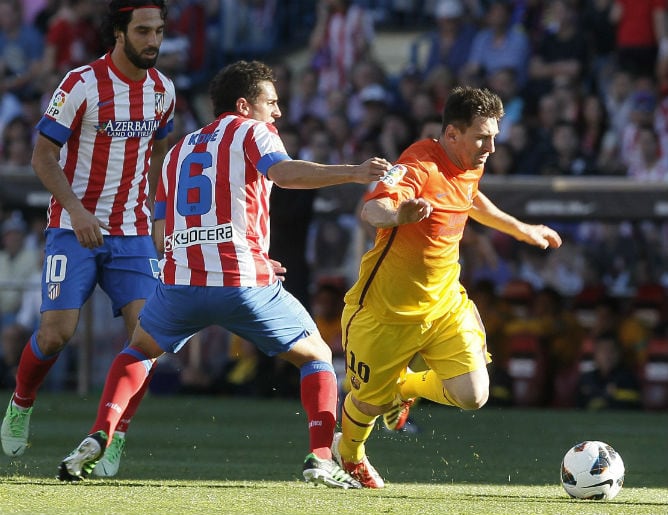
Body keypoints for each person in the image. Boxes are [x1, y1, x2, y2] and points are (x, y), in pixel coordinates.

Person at [56, 59, 392, 487]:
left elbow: (161, 232)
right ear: (244, 105)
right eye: (271, 102)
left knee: (137, 351)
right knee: (318, 358)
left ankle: (101, 431)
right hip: (241, 281)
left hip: (180, 283)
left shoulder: (178, 151)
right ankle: (321, 456)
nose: (278, 112)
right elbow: (284, 174)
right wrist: (354, 172)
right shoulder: (252, 131)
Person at [331, 86, 562, 488]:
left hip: (443, 305)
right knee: (367, 403)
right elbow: (373, 208)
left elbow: (470, 198)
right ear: (452, 134)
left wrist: (520, 228)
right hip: (384, 313)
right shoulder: (419, 162)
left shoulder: (471, 161)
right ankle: (348, 454)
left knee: (474, 394)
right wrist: (399, 214)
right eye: (482, 136)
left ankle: (403, 386)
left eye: (494, 135)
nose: (491, 145)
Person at [1, 0, 175, 481]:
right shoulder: (80, 83)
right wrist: (77, 211)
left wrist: (158, 219)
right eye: (143, 31)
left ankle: (113, 435)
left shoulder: (164, 91)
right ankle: (21, 403)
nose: (153, 41)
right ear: (119, 33)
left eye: (158, 31)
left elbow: (158, 155)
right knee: (56, 333)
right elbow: (42, 157)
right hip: (72, 230)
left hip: (134, 234)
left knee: (150, 340)